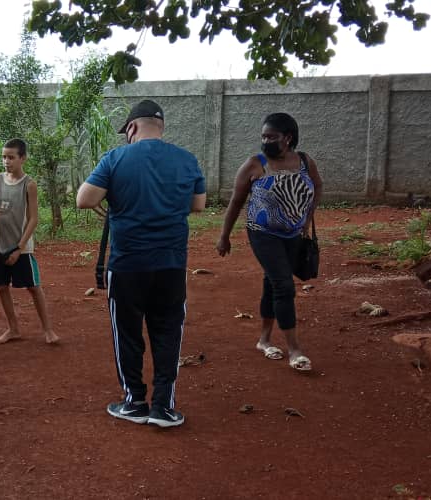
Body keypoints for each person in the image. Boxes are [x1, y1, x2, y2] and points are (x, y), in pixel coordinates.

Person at [76, 99, 206, 428]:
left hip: (127, 263)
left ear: (132, 128)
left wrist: (115, 197)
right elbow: (198, 204)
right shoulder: (187, 160)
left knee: (128, 332)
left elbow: (84, 199)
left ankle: (135, 402)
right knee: (168, 331)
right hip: (171, 262)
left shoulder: (116, 158)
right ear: (159, 127)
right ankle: (164, 406)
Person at [216, 112, 323, 372]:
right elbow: (236, 201)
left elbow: (317, 188)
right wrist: (224, 236)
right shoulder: (255, 164)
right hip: (262, 233)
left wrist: (307, 218)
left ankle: (264, 340)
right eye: (263, 136)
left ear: (288, 138)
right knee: (283, 286)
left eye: (272, 137)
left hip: (293, 234)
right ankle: (294, 349)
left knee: (272, 282)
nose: (266, 141)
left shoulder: (305, 162)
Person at [0, 138, 59, 345]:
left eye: (11, 157)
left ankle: (48, 330)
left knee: (33, 287)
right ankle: (13, 329)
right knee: (0, 286)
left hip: (20, 247)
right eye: (4, 157)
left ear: (22, 158)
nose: (6, 161)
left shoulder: (29, 184)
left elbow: (34, 219)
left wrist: (19, 247)